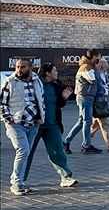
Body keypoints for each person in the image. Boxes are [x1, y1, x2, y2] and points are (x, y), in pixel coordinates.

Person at [24, 63, 78, 189]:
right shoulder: (36, 83)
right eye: (55, 70)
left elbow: (59, 104)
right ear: (48, 73)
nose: (57, 72)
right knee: (27, 152)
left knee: (57, 150)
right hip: (35, 124)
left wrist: (64, 98)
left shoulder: (57, 84)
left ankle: (66, 177)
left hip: (52, 124)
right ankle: (19, 180)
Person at [1, 59, 46, 195]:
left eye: (23, 67)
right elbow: (2, 103)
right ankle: (16, 182)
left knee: (26, 152)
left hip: (33, 123)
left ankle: (19, 181)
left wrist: (40, 119)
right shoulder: (10, 81)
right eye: (17, 67)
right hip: (16, 123)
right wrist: (9, 120)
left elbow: (41, 99)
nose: (19, 70)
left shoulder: (36, 81)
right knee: (23, 150)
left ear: (30, 68)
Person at [62, 49, 102, 154]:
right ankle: (86, 145)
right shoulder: (86, 67)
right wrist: (97, 69)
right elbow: (93, 80)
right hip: (85, 97)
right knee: (87, 121)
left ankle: (66, 141)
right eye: (99, 57)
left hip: (86, 97)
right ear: (94, 57)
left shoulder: (89, 67)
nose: (100, 59)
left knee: (81, 122)